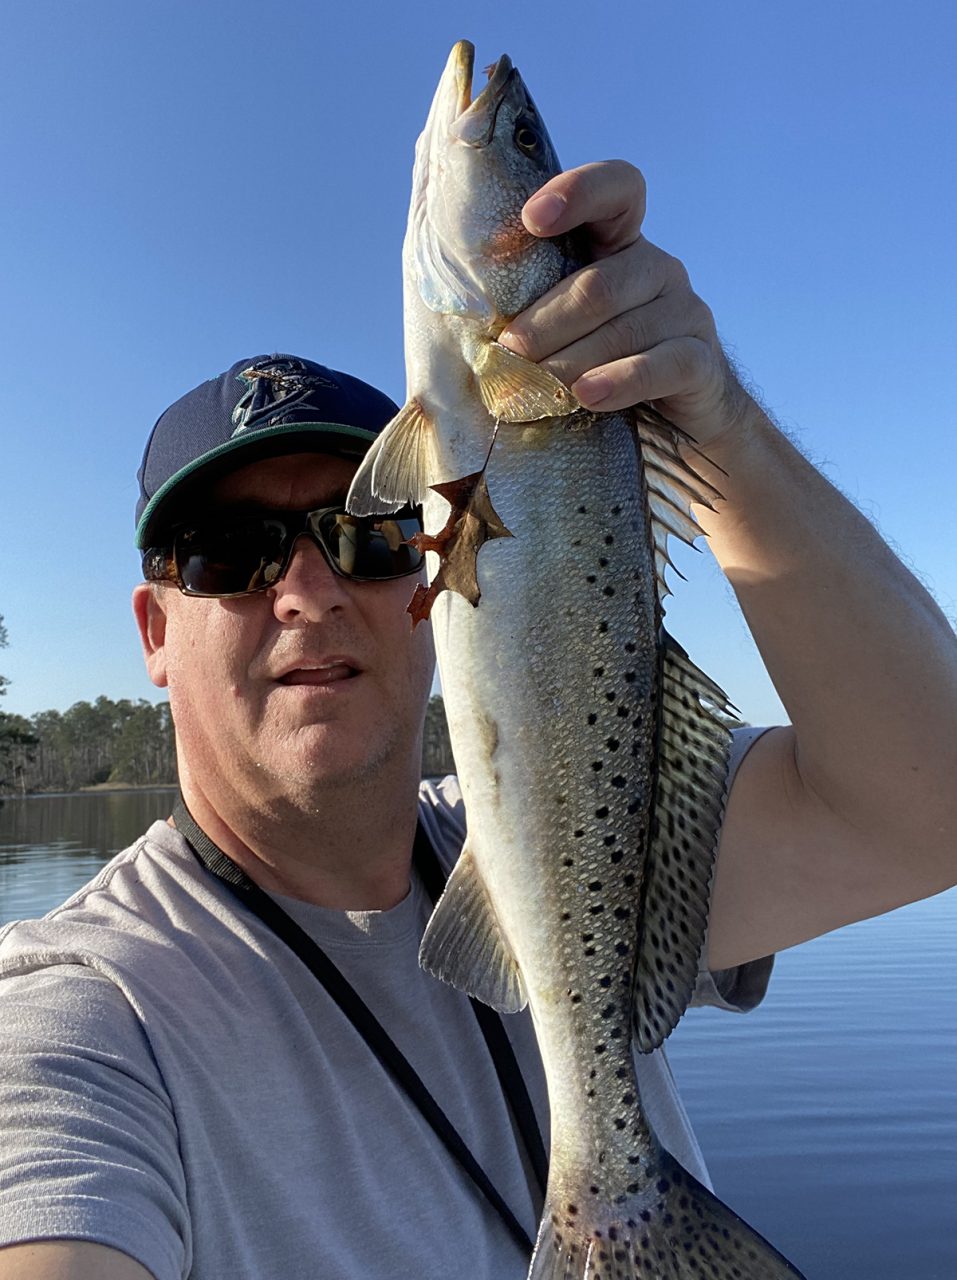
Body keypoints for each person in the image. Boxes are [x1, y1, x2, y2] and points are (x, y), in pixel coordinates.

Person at [0, 161, 954, 1280]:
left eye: (366, 529)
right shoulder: (83, 1012)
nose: (305, 590)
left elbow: (929, 806)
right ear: (155, 635)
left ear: (434, 578)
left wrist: (723, 426)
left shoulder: (582, 817)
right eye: (225, 553)